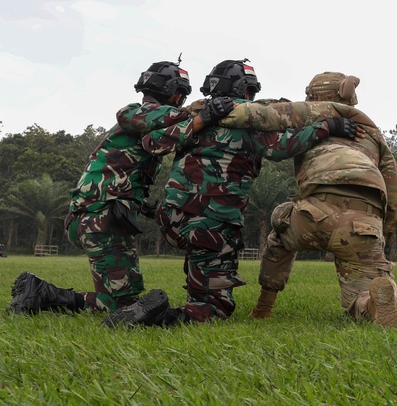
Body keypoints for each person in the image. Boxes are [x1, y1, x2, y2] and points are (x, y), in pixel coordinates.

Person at [103, 59, 358, 328]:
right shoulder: (245, 121)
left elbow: (153, 142)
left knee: (202, 266)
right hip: (208, 226)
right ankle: (148, 317)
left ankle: (195, 292)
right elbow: (281, 148)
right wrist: (328, 127)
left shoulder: (199, 117)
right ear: (246, 91)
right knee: (215, 309)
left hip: (171, 219)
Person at [8, 60, 234, 316]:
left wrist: (144, 207)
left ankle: (39, 292)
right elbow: (161, 139)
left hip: (99, 215)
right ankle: (40, 292)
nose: (181, 101)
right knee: (123, 308)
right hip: (100, 217)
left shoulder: (144, 121)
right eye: (181, 96)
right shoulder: (141, 116)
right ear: (176, 93)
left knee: (122, 300)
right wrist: (203, 115)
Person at [236, 71, 397, 327]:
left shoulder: (310, 113)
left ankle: (263, 308)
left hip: (314, 216)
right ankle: (370, 302)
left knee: (280, 231)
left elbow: (259, 113)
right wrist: (382, 235)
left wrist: (205, 110)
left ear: (313, 95)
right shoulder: (372, 133)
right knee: (361, 292)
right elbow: (393, 191)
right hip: (364, 223)